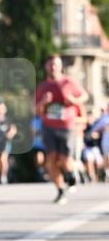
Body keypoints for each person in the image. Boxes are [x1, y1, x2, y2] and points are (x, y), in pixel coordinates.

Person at [35, 54, 88, 205]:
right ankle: (60, 190)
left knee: (65, 159)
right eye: (50, 65)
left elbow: (84, 96)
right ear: (46, 67)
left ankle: (71, 175)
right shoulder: (43, 87)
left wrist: (74, 100)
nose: (53, 67)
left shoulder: (69, 82)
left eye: (56, 64)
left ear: (60, 66)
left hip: (67, 126)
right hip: (49, 126)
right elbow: (37, 111)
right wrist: (43, 102)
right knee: (51, 159)